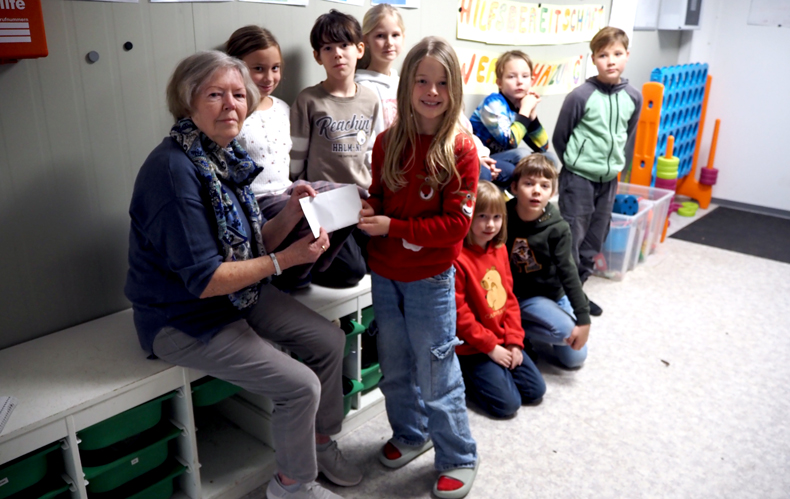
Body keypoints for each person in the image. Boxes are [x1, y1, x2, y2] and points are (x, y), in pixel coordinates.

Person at [124, 51, 360, 499]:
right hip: (182, 318)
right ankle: (292, 486)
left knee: (329, 340)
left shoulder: (223, 155)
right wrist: (286, 261)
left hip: (238, 295)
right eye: (215, 94)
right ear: (188, 100)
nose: (230, 104)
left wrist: (291, 211)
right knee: (300, 386)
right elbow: (206, 279)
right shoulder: (173, 171)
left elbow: (254, 244)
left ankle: (319, 440)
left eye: (237, 94)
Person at [358, 36, 479, 499]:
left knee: (436, 371)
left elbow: (454, 227)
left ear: (454, 90)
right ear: (407, 85)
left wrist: (390, 226)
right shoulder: (387, 142)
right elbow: (378, 194)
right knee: (393, 365)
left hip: (430, 279)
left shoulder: (461, 149)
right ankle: (411, 433)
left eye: (442, 83)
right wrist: (368, 209)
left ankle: (458, 455)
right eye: (423, 81)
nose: (432, 91)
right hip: (385, 275)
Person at [226, 25, 366, 290]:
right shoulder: (232, 113)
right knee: (306, 212)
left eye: (275, 68)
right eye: (259, 68)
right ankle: (295, 274)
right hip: (259, 202)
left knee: (351, 196)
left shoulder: (282, 108)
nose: (269, 77)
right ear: (237, 67)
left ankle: (318, 263)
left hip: (287, 189)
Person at [552, 27, 642, 316]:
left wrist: (612, 167)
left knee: (595, 239)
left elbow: (627, 136)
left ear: (627, 56)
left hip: (609, 181)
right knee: (571, 240)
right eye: (603, 55)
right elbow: (560, 137)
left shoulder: (633, 97)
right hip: (578, 179)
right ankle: (560, 297)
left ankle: (579, 292)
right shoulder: (580, 96)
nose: (611, 60)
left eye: (617, 54)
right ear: (594, 59)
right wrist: (577, 165)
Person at [454, 180, 546, 418]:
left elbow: (510, 300)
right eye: (482, 216)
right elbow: (459, 316)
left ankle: (497, 370)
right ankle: (465, 376)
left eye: (497, 217)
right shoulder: (457, 258)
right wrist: (490, 348)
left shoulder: (500, 248)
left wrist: (514, 341)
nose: (490, 224)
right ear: (469, 217)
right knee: (508, 406)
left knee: (536, 391)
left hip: (502, 339)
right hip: (473, 348)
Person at [506, 155, 590, 369]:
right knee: (563, 332)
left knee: (575, 358)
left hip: (553, 294)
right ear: (514, 187)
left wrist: (583, 319)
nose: (537, 191)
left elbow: (569, 272)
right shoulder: (502, 216)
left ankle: (521, 328)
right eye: (529, 184)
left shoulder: (558, 227)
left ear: (552, 193)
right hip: (520, 297)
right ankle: (515, 329)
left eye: (544, 186)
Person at [290, 9, 381, 189]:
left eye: (344, 45)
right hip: (320, 194)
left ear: (360, 49)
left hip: (361, 193)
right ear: (318, 56)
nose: (337, 53)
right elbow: (296, 155)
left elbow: (371, 151)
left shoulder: (371, 99)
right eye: (328, 48)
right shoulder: (308, 100)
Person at [469, 50, 552, 188]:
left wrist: (532, 114)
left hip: (503, 158)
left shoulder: (520, 105)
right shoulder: (493, 102)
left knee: (549, 158)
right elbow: (510, 142)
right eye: (512, 77)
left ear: (531, 81)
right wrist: (524, 110)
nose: (519, 82)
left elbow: (542, 147)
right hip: (482, 158)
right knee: (522, 155)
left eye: (525, 76)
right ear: (499, 83)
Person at [355, 3, 405, 130]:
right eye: (380, 36)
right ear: (366, 40)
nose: (389, 42)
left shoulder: (402, 83)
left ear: (403, 37)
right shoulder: (360, 86)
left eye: (395, 35)